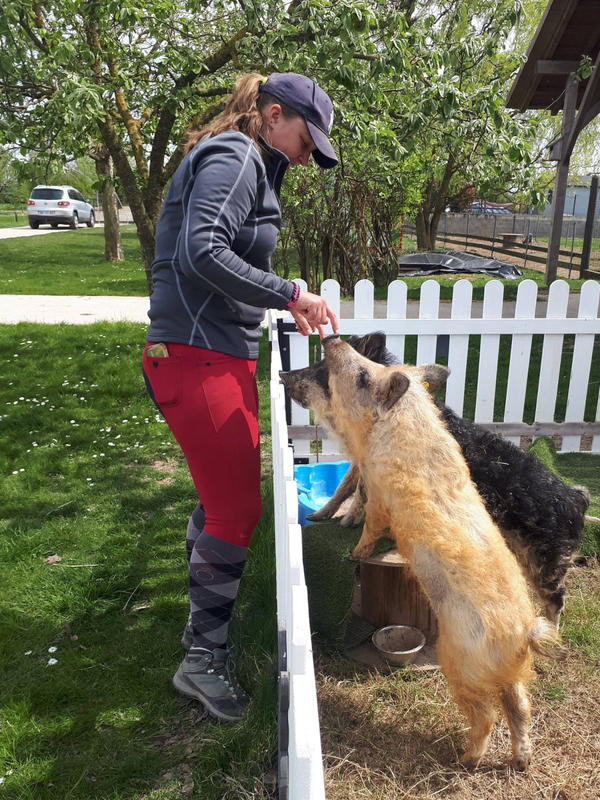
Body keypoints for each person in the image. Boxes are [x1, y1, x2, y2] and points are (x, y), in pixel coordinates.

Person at [142, 72, 339, 722]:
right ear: (273, 114)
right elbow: (201, 252)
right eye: (309, 140)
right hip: (196, 357)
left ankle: (200, 632)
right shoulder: (234, 156)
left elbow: (205, 255)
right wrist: (288, 294)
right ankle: (202, 659)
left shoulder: (249, 160)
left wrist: (280, 295)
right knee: (235, 512)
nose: (311, 156)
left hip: (207, 352)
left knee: (219, 500)